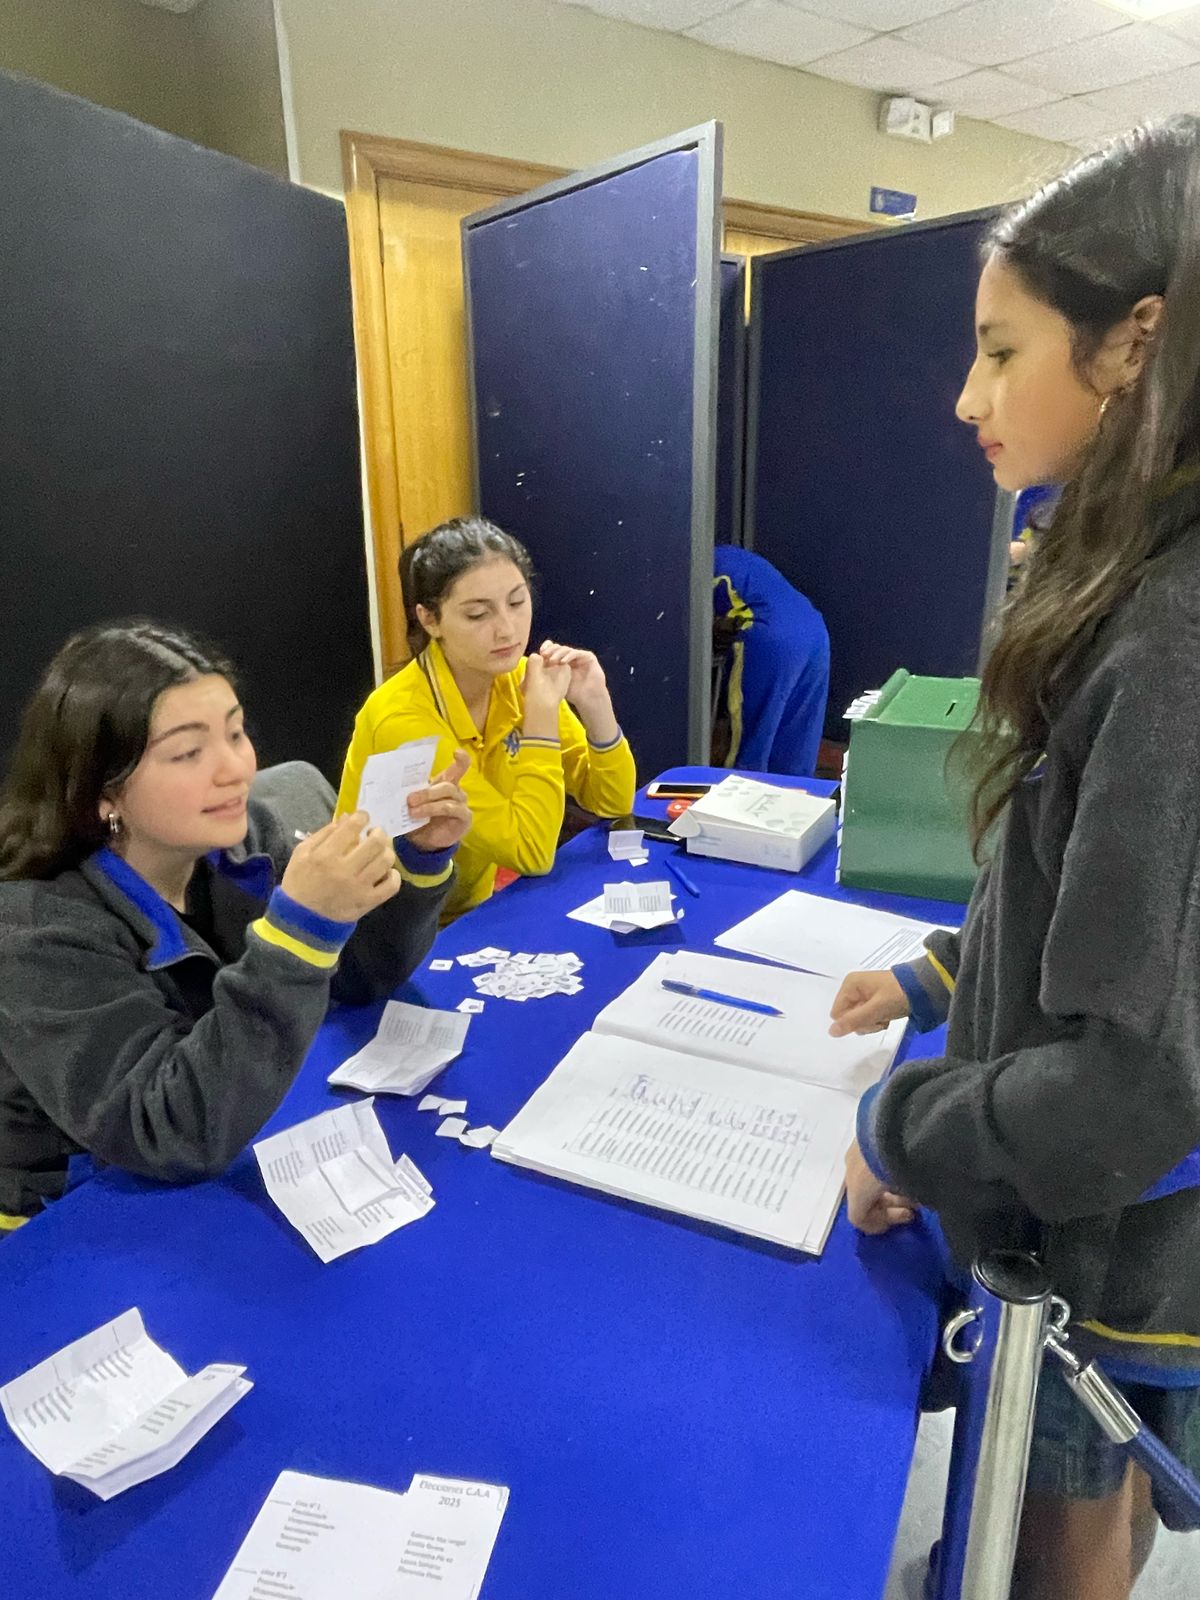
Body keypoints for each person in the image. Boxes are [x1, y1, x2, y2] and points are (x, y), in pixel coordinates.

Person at [829, 119, 1200, 1598]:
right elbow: (1099, 902)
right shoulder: (1140, 586)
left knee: (1062, 1537)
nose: (967, 396)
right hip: (1104, 1231)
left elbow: (1133, 1088)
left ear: (1132, 345)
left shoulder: (1171, 642)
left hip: (1107, 1257)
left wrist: (899, 1129)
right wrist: (944, 975)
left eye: (1002, 352)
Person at [0, 621, 471, 1231]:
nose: (236, 770)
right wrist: (300, 932)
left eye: (235, 732)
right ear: (103, 792)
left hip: (222, 1125)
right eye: (187, 753)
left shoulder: (244, 838)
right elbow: (168, 1131)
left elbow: (358, 978)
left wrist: (418, 860)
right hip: (75, 1208)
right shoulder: (35, 932)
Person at [338, 517, 637, 921]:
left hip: (473, 912)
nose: (507, 630)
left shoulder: (515, 678)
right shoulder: (403, 719)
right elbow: (532, 852)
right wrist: (541, 718)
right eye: (478, 614)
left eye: (516, 602)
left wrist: (596, 704)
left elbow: (613, 801)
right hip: (386, 929)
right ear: (430, 620)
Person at [712, 543, 830, 777]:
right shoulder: (731, 555)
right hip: (815, 633)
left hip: (773, 640)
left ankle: (739, 792)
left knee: (750, 742)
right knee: (795, 745)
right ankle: (796, 798)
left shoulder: (693, 570)